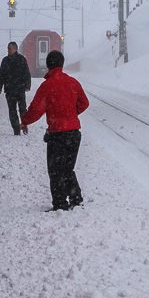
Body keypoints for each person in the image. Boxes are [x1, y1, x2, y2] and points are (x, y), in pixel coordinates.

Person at [21, 50, 89, 212]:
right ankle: (75, 198)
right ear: (62, 64)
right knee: (67, 168)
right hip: (74, 133)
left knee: (55, 171)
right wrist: (71, 114)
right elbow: (84, 103)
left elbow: (36, 110)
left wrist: (24, 122)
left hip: (57, 134)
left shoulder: (47, 86)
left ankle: (60, 204)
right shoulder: (73, 82)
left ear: (48, 65)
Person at [0, 41, 33, 135]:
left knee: (22, 109)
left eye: (10, 49)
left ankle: (24, 126)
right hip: (9, 90)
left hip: (20, 89)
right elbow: (1, 75)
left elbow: (27, 73)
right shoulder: (5, 60)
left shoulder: (22, 59)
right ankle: (16, 129)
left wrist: (27, 86)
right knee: (12, 111)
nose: (8, 50)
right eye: (8, 49)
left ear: (15, 49)